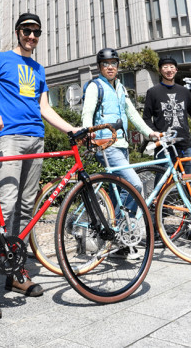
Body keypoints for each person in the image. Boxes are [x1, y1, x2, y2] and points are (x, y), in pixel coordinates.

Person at [0, 12, 82, 320]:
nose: (32, 36)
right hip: (9, 138)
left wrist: (71, 129)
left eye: (36, 31)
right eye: (26, 30)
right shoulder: (0, 59)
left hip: (36, 140)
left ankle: (14, 272)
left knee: (24, 210)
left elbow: (44, 107)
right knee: (4, 209)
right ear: (18, 31)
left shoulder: (38, 68)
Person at [82, 47, 160, 257]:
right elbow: (87, 112)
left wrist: (150, 133)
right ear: (100, 67)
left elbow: (132, 114)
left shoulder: (120, 88)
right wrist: (88, 132)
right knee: (134, 185)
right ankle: (114, 234)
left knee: (118, 193)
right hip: (106, 145)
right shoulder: (94, 86)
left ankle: (121, 239)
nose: (110, 67)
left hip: (122, 146)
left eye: (114, 64)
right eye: (106, 64)